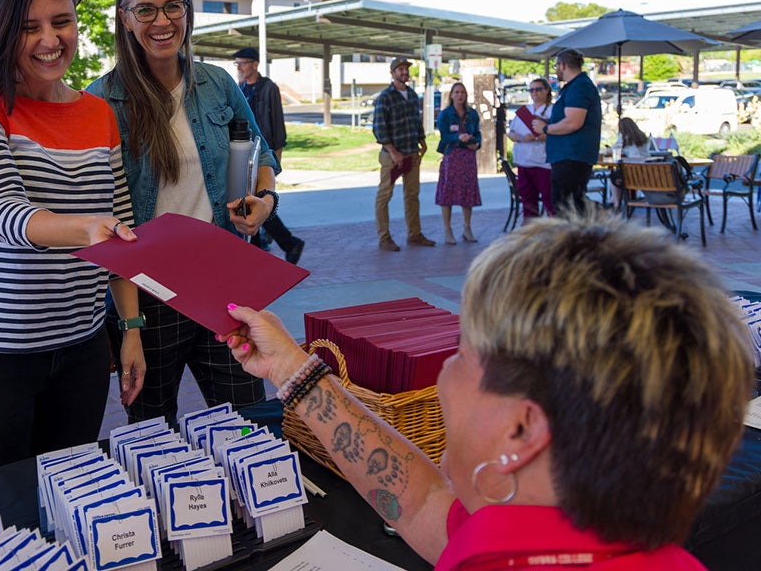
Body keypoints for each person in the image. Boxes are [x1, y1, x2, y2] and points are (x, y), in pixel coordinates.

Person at [221, 214, 753, 569]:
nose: (445, 369)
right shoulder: (551, 529)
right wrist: (292, 367)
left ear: (521, 430)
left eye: (463, 350)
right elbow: (423, 502)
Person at [0, 0, 145, 476]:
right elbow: (4, 211)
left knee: (69, 505)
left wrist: (132, 328)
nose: (50, 41)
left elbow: (120, 226)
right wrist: (86, 228)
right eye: (29, 27)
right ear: (0, 30)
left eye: (62, 21)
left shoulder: (98, 113)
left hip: (82, 353)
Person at [87, 0, 278, 426]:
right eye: (145, 10)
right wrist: (128, 327)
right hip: (148, 296)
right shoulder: (100, 101)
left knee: (251, 422)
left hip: (221, 286)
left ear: (188, 13)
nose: (162, 21)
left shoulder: (215, 84)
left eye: (173, 7)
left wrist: (264, 203)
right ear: (125, 18)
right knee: (154, 436)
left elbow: (260, 155)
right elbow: (107, 223)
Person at [232, 46, 304, 265]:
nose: (240, 68)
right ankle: (281, 244)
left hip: (263, 155)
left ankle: (284, 244)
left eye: (243, 63)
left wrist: (276, 160)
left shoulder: (269, 88)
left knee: (256, 203)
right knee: (250, 204)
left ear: (254, 64)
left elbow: (277, 125)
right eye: (237, 64)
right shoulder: (240, 88)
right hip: (243, 156)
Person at [372, 57, 435, 251]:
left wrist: (422, 142)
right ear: (392, 73)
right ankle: (384, 238)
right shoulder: (385, 97)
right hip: (392, 158)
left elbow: (416, 122)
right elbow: (379, 129)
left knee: (412, 195)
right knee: (384, 196)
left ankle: (414, 235)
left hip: (411, 155)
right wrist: (393, 152)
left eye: (406, 69)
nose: (404, 72)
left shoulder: (413, 95)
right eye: (400, 69)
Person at [533, 48, 602, 213]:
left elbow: (573, 123)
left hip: (572, 155)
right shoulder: (573, 86)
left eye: (556, 65)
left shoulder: (580, 86)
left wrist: (546, 128)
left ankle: (595, 224)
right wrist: (550, 123)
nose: (555, 70)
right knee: (570, 203)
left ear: (563, 65)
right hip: (567, 155)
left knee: (566, 205)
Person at [435, 81, 482, 243]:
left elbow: (478, 132)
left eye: (462, 92)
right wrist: (458, 138)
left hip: (468, 156)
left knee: (467, 191)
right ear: (452, 95)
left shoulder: (472, 114)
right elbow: (444, 136)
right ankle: (448, 230)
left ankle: (467, 228)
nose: (460, 95)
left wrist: (476, 142)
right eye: (457, 92)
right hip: (452, 156)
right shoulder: (445, 114)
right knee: (448, 191)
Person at [506, 78, 554, 219]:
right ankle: (530, 230)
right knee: (528, 201)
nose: (534, 92)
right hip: (524, 161)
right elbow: (511, 133)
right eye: (531, 89)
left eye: (538, 89)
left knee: (549, 200)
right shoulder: (524, 111)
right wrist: (521, 138)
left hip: (544, 162)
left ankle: (555, 230)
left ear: (546, 90)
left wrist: (538, 137)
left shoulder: (553, 110)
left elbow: (557, 134)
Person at [610, 117, 652, 206]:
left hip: (632, 172)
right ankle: (631, 197)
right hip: (647, 171)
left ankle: (615, 201)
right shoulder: (643, 136)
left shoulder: (625, 137)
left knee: (613, 176)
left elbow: (616, 148)